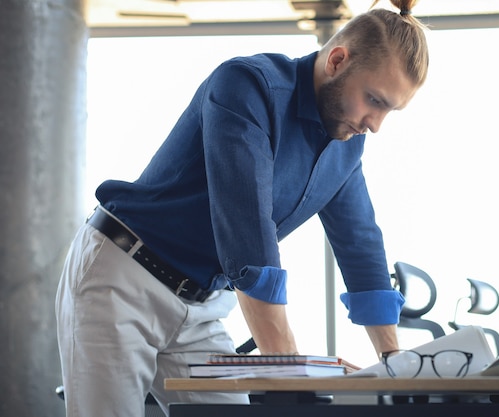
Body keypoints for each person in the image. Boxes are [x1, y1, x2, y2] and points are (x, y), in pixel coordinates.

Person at [55, 0, 429, 415]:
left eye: (389, 110)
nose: (375, 124)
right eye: (373, 101)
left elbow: (360, 243)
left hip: (199, 308)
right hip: (124, 279)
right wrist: (291, 372)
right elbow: (246, 230)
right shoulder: (248, 86)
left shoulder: (346, 144)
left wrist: (397, 367)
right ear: (337, 61)